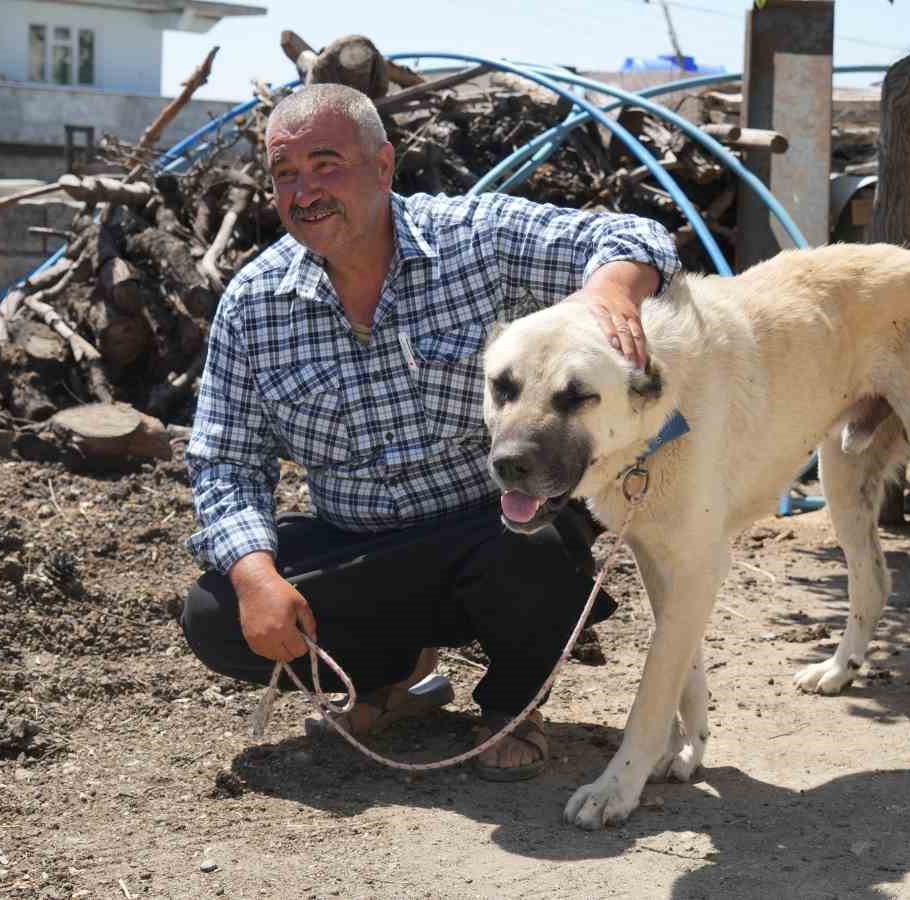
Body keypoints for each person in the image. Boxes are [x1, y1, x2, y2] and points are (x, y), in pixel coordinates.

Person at [178, 82, 680, 781]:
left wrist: (611, 291)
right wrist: (255, 574)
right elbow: (225, 462)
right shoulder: (254, 304)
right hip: (364, 550)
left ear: (383, 167)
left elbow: (634, 233)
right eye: (285, 174)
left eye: (327, 165)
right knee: (215, 609)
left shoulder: (474, 240)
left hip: (491, 528)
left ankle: (512, 705)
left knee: (537, 547)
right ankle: (394, 678)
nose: (304, 191)